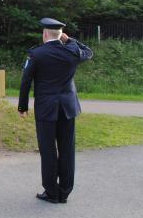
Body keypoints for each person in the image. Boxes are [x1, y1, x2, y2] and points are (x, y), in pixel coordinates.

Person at [18, 18, 93, 204]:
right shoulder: (72, 52)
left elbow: (26, 81)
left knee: (48, 150)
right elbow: (89, 52)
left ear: (45, 34)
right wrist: (70, 40)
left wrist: (23, 106)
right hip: (67, 108)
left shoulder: (36, 54)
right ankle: (65, 191)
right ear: (61, 35)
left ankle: (51, 192)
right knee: (67, 149)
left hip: (46, 109)